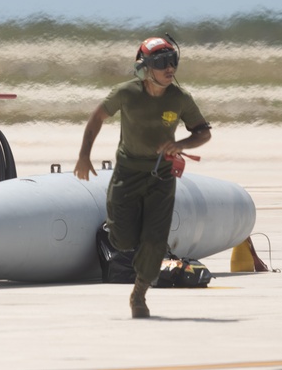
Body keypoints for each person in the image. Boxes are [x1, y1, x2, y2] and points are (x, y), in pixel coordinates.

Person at [72, 36, 211, 319]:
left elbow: (203, 132)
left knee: (155, 239)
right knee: (121, 238)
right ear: (145, 67)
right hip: (128, 172)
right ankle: (140, 258)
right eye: (161, 63)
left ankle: (139, 293)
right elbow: (97, 117)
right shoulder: (126, 93)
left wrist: (181, 145)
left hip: (161, 175)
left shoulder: (180, 98)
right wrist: (84, 156)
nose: (169, 68)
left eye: (173, 61)